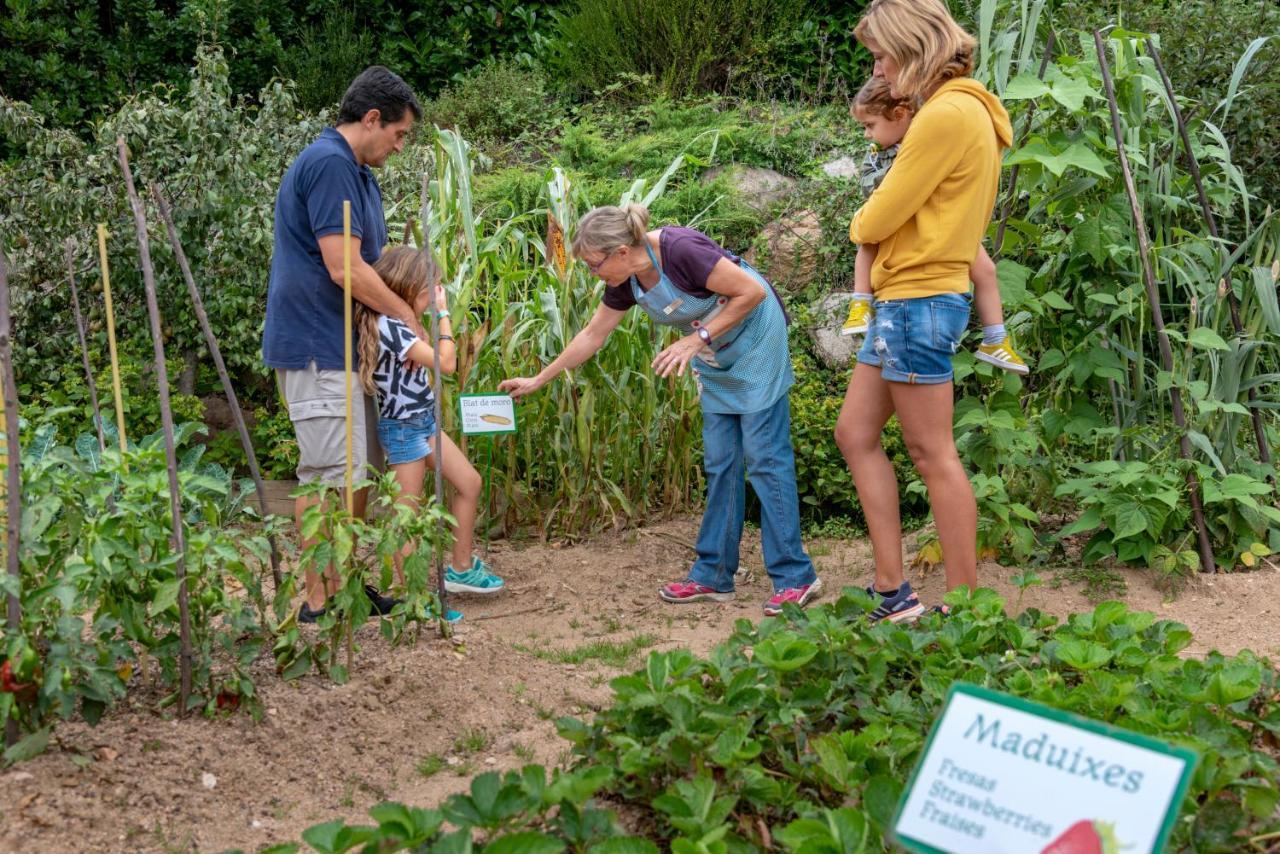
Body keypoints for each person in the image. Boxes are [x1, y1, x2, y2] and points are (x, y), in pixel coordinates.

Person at [499, 205, 822, 616]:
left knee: (764, 459)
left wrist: (696, 337)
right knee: (721, 462)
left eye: (595, 265)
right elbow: (592, 334)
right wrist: (539, 379)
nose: (594, 274)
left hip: (756, 338)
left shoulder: (682, 249)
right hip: (713, 352)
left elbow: (751, 292)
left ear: (619, 251)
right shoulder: (627, 280)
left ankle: (796, 576)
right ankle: (714, 573)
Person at [834, 0, 1012, 621]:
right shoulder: (962, 109)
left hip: (918, 297)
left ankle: (965, 611)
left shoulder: (946, 115)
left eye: (882, 56)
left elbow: (877, 217)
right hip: (903, 299)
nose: (879, 71)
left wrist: (861, 221)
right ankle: (894, 593)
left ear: (913, 46)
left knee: (932, 452)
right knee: (855, 434)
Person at [262, 66, 423, 623]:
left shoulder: (358, 175)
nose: (399, 147)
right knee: (332, 476)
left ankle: (344, 586)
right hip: (317, 345)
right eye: (398, 134)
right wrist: (407, 318)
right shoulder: (331, 163)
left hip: (347, 350)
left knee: (355, 474)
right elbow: (343, 267)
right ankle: (319, 600)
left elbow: (374, 262)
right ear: (371, 118)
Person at [840, 77, 1029, 376]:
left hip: (930, 264)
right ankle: (860, 302)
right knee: (866, 243)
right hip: (911, 240)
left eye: (870, 125)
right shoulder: (883, 153)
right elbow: (875, 194)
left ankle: (995, 338)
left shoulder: (935, 128)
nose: (867, 135)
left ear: (900, 114)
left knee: (987, 271)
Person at [355, 246, 504, 619]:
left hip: (424, 421)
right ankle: (413, 600)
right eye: (428, 292)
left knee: (469, 482)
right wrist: (443, 314)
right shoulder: (387, 325)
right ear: (408, 289)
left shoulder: (402, 322)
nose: (432, 298)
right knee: (407, 516)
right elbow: (448, 363)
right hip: (403, 428)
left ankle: (461, 569)